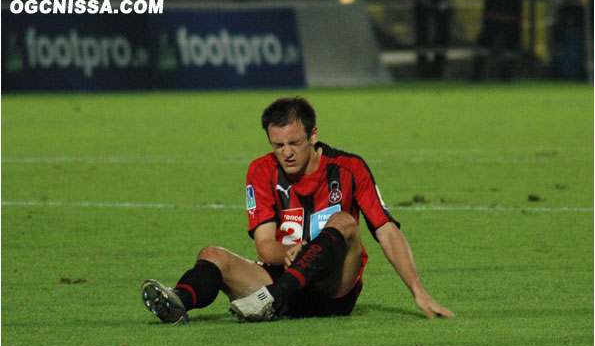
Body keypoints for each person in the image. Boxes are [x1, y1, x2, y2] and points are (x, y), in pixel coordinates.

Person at [141, 97, 454, 324]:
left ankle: (272, 299)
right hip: (282, 279)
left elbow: (385, 229)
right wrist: (288, 252)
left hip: (333, 290)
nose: (286, 153)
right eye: (278, 145)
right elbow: (264, 246)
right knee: (213, 255)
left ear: (313, 135)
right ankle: (176, 302)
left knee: (344, 221)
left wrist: (418, 291)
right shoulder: (260, 172)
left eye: (294, 142)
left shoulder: (349, 168)